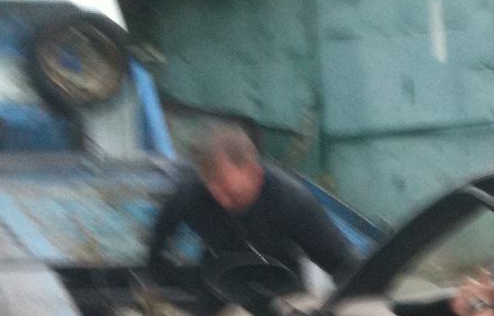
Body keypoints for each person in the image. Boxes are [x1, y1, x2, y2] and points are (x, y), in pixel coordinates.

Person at [147, 123, 355, 293]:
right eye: (214, 192)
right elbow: (156, 256)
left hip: (283, 298)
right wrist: (182, 282)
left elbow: (346, 268)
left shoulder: (292, 202)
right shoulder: (190, 197)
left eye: (228, 190)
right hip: (219, 293)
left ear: (253, 171)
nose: (223, 200)